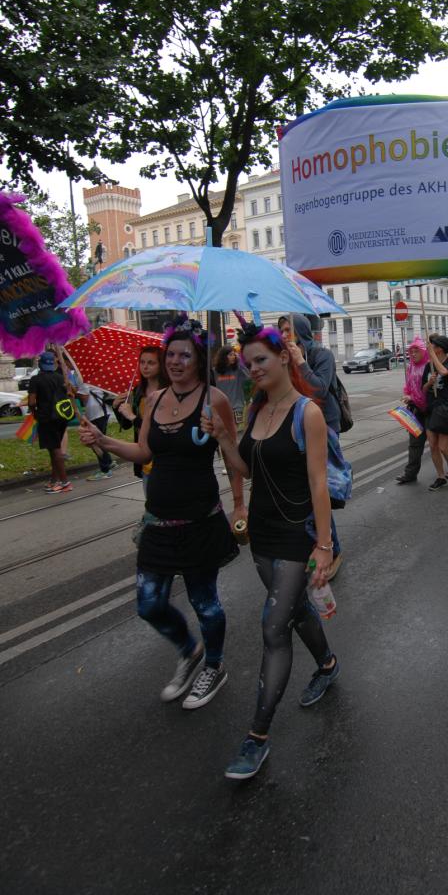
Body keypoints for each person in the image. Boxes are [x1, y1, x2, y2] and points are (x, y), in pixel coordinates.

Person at [80, 317, 241, 710]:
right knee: (149, 604)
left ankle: (214, 665)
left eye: (184, 355)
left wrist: (240, 504)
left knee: (205, 604)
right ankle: (189, 650)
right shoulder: (153, 400)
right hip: (158, 521)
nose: (175, 361)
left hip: (200, 519)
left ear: (198, 358)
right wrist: (103, 440)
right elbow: (143, 451)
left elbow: (232, 459)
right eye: (170, 354)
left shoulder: (214, 400)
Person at [201, 323, 338, 780]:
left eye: (260, 359)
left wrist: (323, 546)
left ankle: (256, 737)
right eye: (248, 363)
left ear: (283, 357)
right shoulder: (257, 409)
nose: (253, 369)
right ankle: (327, 664)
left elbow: (318, 483)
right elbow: (247, 468)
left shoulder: (307, 412)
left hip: (296, 536)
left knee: (274, 626)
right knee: (296, 612)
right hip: (262, 532)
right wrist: (224, 438)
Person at [287, 313, 343, 578]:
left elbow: (319, 389)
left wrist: (300, 362)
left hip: (324, 425)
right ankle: (311, 542)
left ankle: (333, 548)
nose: (284, 335)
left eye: (288, 329)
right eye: (280, 330)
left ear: (300, 331)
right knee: (302, 490)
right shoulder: (282, 356)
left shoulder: (322, 355)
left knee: (319, 488)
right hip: (295, 426)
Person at [394, 336, 448, 485]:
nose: (413, 354)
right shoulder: (412, 367)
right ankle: (412, 474)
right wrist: (409, 396)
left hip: (438, 409)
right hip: (419, 410)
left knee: (444, 444)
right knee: (417, 443)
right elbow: (414, 387)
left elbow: (447, 376)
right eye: (411, 351)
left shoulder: (438, 363)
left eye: (416, 351)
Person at [113, 344, 169, 490]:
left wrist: (132, 417)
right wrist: (117, 408)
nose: (145, 367)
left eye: (151, 363)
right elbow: (126, 425)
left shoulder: (168, 391)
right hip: (145, 460)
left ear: (161, 365)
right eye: (142, 362)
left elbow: (160, 427)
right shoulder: (138, 390)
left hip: (164, 458)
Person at [27, 350, 73, 493]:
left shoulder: (36, 380)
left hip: (47, 418)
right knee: (54, 449)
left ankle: (64, 482)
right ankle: (54, 479)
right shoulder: (60, 377)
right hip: (62, 416)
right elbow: (71, 392)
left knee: (55, 449)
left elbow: (31, 401)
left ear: (40, 364)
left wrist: (34, 412)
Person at [422, 334, 448, 490]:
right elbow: (423, 389)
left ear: (439, 348)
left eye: (433, 346)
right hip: (431, 409)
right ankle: (440, 476)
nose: (430, 348)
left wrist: (432, 355)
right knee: (433, 446)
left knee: (443, 447)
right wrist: (429, 383)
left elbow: (444, 372)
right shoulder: (429, 366)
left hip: (446, 408)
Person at [75, 379, 118, 481]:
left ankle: (105, 469)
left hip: (95, 412)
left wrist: (73, 393)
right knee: (100, 440)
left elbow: (84, 396)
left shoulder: (81, 377)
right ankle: (108, 462)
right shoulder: (94, 376)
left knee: (95, 442)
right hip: (102, 410)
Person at [213, 344, 251, 427]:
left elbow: (249, 377)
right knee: (225, 430)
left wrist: (240, 362)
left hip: (237, 407)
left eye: (234, 355)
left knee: (238, 430)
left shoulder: (238, 370)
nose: (233, 357)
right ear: (224, 356)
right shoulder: (215, 371)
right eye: (230, 355)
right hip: (221, 408)